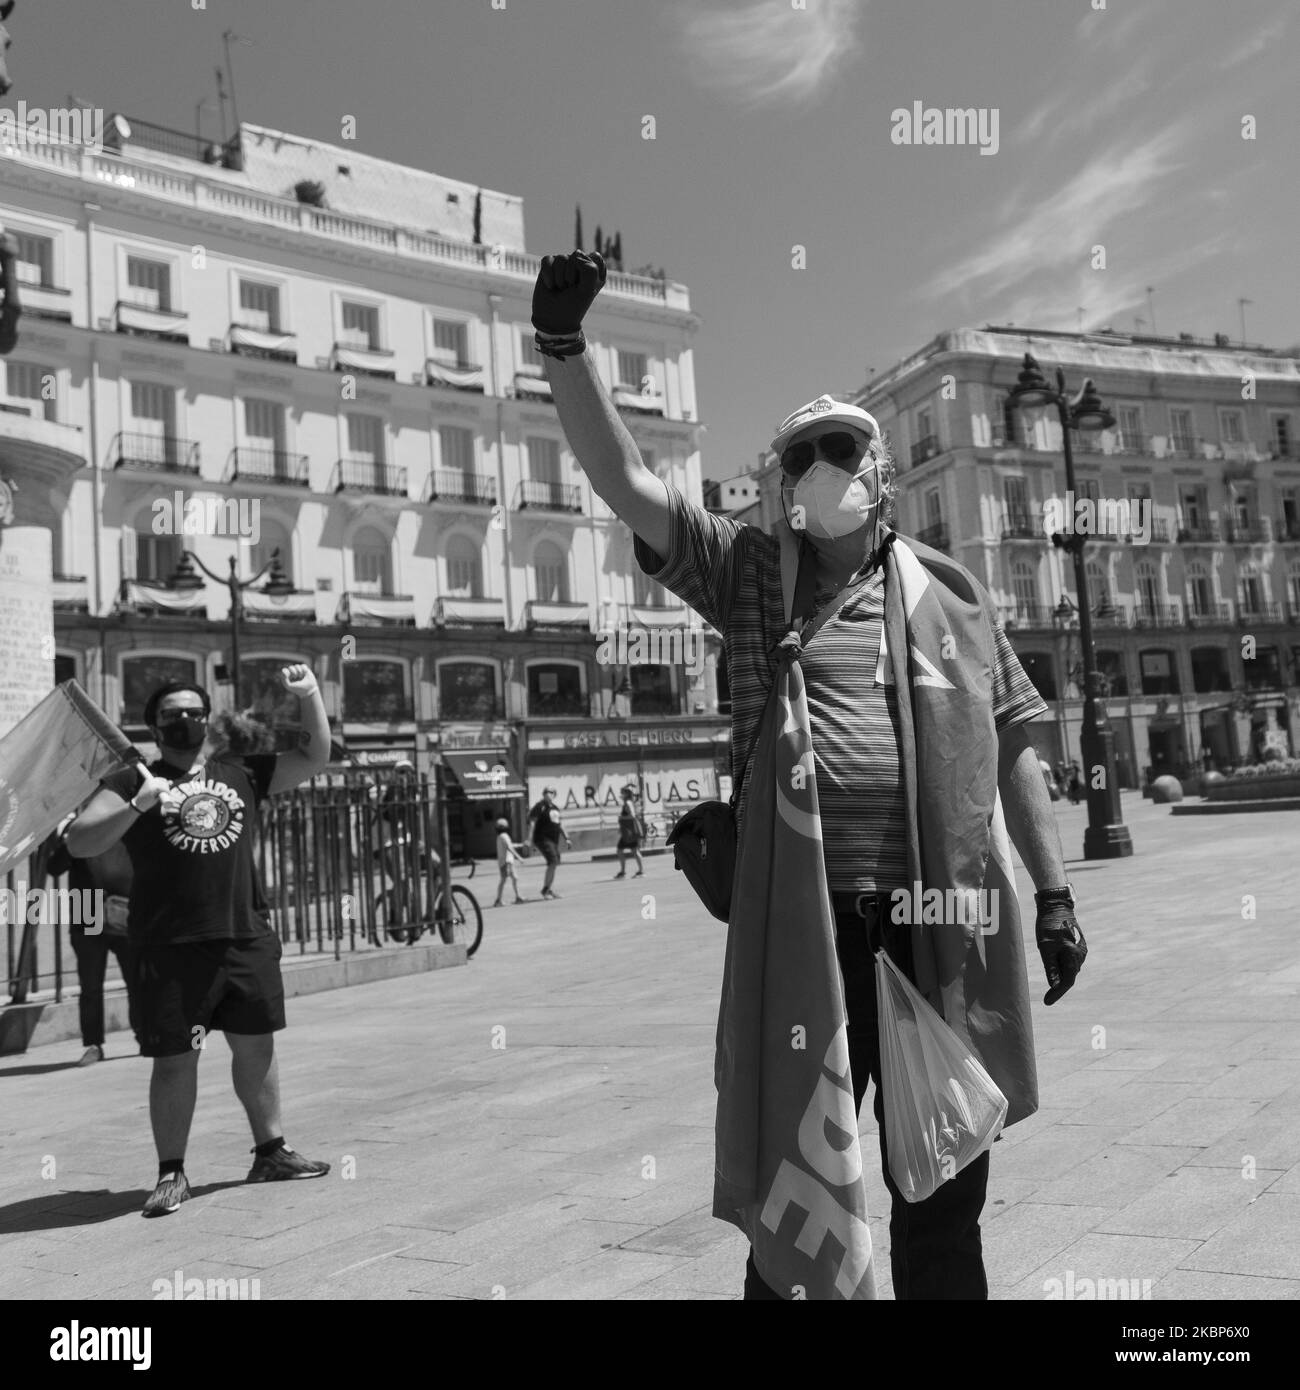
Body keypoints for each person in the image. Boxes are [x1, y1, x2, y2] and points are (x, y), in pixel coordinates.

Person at [531, 249, 1089, 1301]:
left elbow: (1014, 741)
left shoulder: (955, 596)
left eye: (836, 449)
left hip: (937, 916)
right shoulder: (749, 571)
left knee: (944, 1181)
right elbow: (629, 485)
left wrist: (1053, 895)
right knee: (800, 1173)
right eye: (798, 457)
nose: (816, 468)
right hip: (805, 928)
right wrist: (565, 351)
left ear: (878, 474)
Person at [66, 667, 333, 1217]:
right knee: (174, 1059)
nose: (183, 720)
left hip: (243, 936)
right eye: (171, 715)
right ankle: (171, 1174)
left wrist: (308, 695)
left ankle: (271, 1152)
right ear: (153, 726)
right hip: (168, 946)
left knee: (256, 1046)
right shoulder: (130, 781)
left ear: (207, 720)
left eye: (193, 712)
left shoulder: (241, 772)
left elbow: (313, 757)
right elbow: (79, 840)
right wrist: (139, 803)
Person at [44, 813, 140, 1066]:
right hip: (87, 917)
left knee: (137, 983)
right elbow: (54, 868)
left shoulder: (125, 827)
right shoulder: (79, 838)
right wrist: (70, 840)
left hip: (124, 914)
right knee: (90, 987)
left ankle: (144, 1036)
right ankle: (93, 1045)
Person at [528, 787, 571, 900]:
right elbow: (532, 823)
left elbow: (560, 824)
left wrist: (567, 838)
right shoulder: (539, 806)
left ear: (554, 795)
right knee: (553, 862)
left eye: (550, 792)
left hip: (553, 840)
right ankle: (545, 890)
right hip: (542, 838)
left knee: (555, 863)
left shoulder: (555, 808)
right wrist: (530, 839)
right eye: (546, 792)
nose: (548, 794)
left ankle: (548, 888)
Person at [492, 818, 527, 907]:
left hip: (508, 861)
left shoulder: (501, 836)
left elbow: (510, 845)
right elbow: (509, 847)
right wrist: (519, 858)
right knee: (504, 880)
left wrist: (521, 845)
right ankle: (498, 900)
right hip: (506, 862)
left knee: (514, 878)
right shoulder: (504, 835)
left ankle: (518, 897)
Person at [614, 788, 644, 878]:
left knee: (624, 850)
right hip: (627, 832)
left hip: (630, 833)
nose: (621, 795)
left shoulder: (628, 803)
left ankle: (639, 871)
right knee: (631, 850)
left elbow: (632, 816)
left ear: (626, 794)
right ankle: (628, 871)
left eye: (622, 793)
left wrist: (621, 818)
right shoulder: (628, 803)